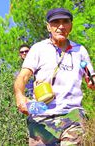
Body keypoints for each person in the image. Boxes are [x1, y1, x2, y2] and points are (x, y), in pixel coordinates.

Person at [14, 8, 95, 145]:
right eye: (56, 22)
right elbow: (22, 77)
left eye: (65, 22)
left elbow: (91, 77)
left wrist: (91, 82)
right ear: (48, 27)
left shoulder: (80, 51)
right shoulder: (38, 49)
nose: (61, 26)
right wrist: (20, 97)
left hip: (72, 115)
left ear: (71, 25)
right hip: (41, 118)